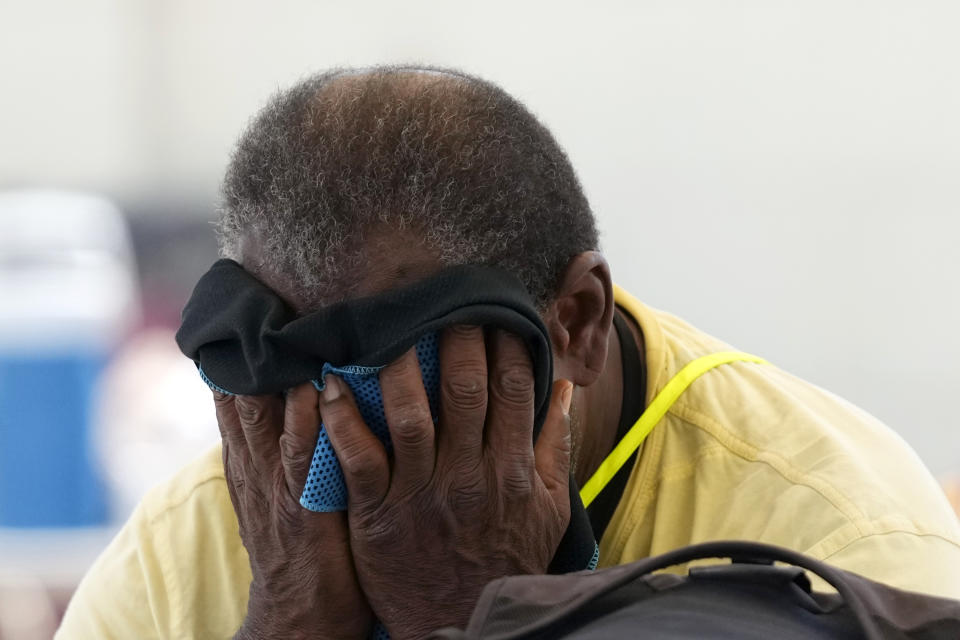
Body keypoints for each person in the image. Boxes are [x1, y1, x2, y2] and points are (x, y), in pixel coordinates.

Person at [57, 66, 960, 639]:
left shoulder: (844, 545)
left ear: (574, 322)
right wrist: (293, 619)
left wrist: (476, 617)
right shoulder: (229, 512)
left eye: (395, 378)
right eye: (292, 374)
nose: (338, 446)